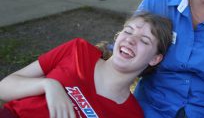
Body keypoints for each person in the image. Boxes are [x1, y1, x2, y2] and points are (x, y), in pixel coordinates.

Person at [0, 12, 173, 118]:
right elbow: (4, 88)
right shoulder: (78, 51)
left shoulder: (131, 114)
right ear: (118, 36)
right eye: (128, 31)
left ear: (155, 59)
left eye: (144, 40)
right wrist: (49, 85)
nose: (131, 40)